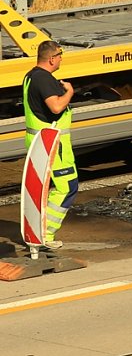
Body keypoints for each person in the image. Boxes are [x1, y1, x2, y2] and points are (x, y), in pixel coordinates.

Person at [22, 40, 77, 250]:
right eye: (60, 54)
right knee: (67, 188)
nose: (62, 58)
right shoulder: (43, 79)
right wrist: (69, 92)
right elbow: (55, 107)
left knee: (44, 189)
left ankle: (38, 231)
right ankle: (45, 234)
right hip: (53, 145)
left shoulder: (31, 76)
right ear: (52, 58)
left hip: (42, 142)